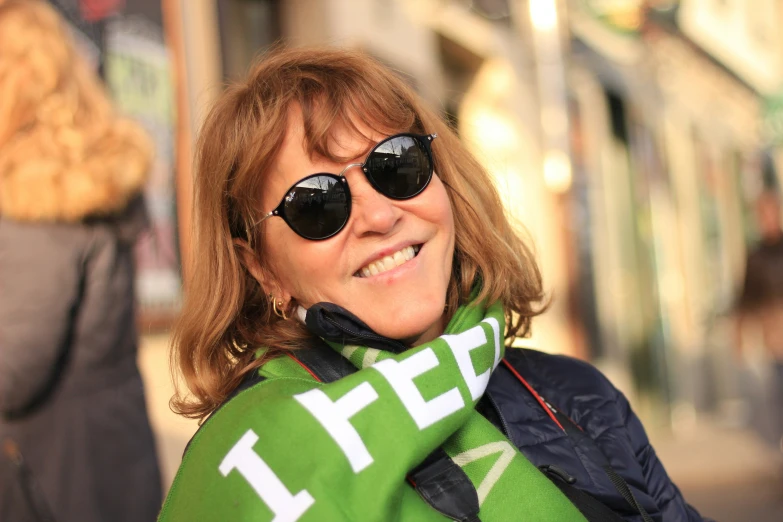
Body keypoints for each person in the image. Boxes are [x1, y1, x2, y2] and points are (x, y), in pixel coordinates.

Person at [160, 47, 706, 521]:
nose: (378, 217)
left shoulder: (578, 397)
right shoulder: (257, 461)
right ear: (263, 268)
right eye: (317, 202)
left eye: (395, 165)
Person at [0, 1, 162, 521]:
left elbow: (11, 369)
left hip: (49, 483)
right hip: (108, 464)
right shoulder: (84, 182)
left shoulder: (36, 202)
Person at [735, 189, 783, 447]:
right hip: (775, 333)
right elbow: (745, 299)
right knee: (779, 384)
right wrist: (739, 335)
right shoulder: (756, 257)